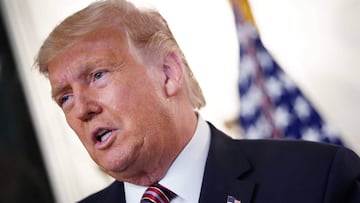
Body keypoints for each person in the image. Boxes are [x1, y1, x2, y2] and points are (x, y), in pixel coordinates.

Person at [35, 0, 360, 202]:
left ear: (168, 73)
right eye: (64, 97)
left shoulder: (316, 179)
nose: (80, 108)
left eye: (97, 76)